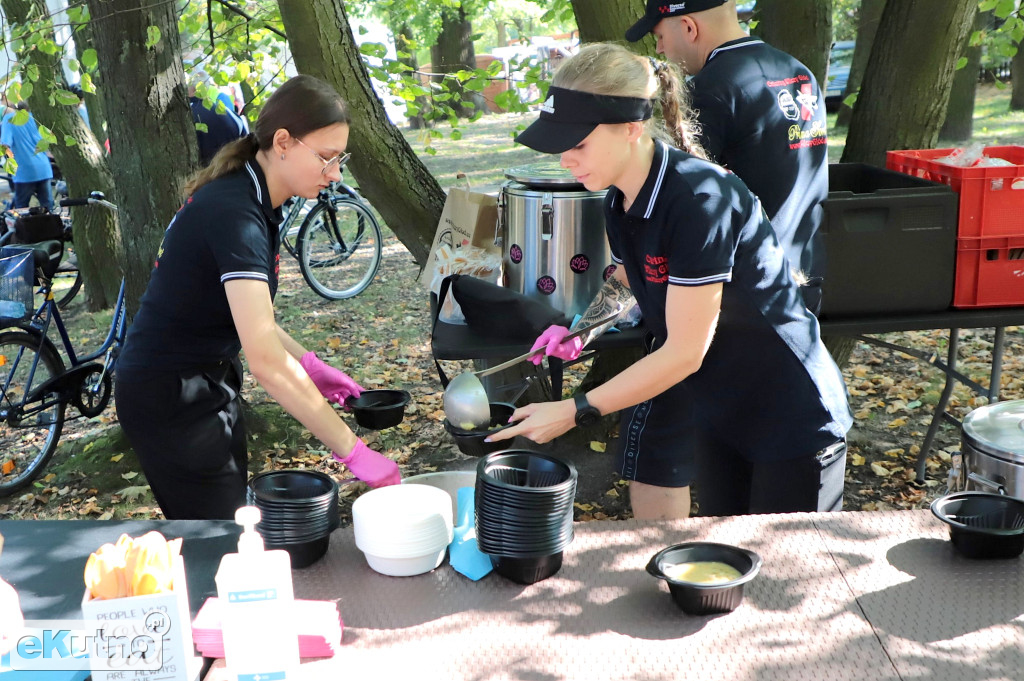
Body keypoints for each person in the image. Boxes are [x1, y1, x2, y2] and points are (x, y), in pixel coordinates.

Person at [486, 43, 851, 519]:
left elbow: (683, 351)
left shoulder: (700, 200)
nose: (565, 162)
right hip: (722, 412)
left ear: (632, 128)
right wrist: (581, 328)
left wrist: (575, 409)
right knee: (729, 549)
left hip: (792, 414)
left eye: (578, 144)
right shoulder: (617, 200)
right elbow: (628, 279)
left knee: (791, 570)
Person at [115, 75, 400, 520]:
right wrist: (355, 453)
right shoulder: (235, 213)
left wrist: (312, 366)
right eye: (326, 158)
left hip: (205, 379)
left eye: (339, 159)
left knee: (231, 520)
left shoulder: (254, 197)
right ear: (283, 142)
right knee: (219, 537)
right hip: (169, 394)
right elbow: (266, 363)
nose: (335, 174)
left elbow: (254, 320)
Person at [625, 0, 828, 315]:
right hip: (802, 280)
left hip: (742, 296)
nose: (661, 48)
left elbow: (673, 200)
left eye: (660, 36)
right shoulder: (798, 72)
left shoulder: (709, 91)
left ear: (689, 27)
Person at [0, 101, 54, 211]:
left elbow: (5, 145)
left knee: (21, 209)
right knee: (48, 207)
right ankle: (52, 227)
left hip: (24, 171)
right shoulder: (36, 118)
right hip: (43, 168)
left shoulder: (9, 119)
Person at [189, 76, 248, 166]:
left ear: (193, 89)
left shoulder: (188, 114)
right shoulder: (229, 112)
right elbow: (246, 141)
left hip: (203, 172)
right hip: (233, 169)